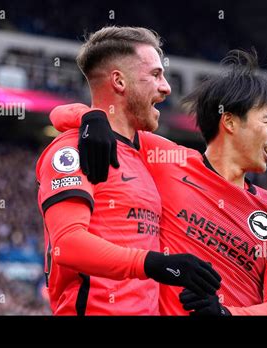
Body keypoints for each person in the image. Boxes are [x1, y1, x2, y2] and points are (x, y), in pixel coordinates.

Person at [50, 49, 267, 315]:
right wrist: (90, 118)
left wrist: (226, 314)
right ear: (230, 121)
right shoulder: (165, 160)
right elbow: (69, 116)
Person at [36, 26, 221, 316]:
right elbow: (68, 245)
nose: (166, 87)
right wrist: (154, 264)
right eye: (156, 75)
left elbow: (216, 160)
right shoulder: (74, 148)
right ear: (119, 81)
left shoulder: (147, 152)